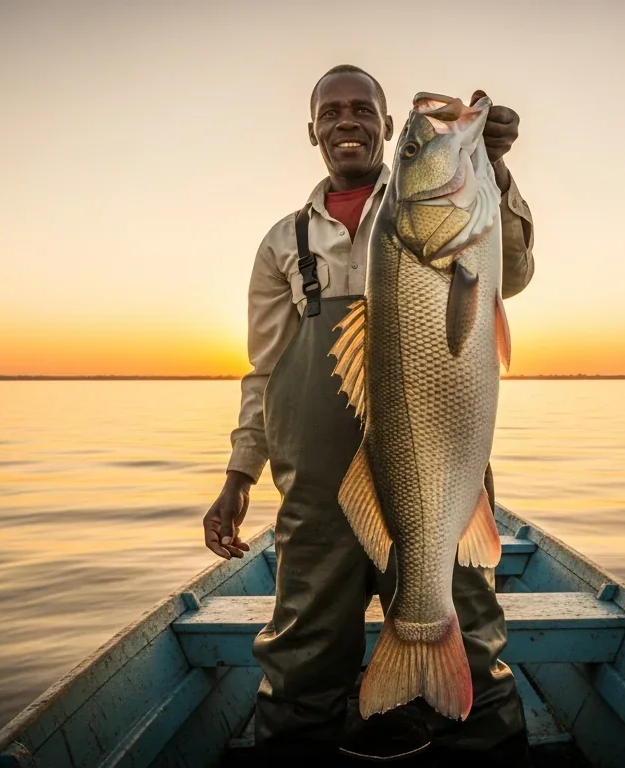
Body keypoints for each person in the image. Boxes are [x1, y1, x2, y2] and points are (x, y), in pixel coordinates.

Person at [203, 64, 536, 763]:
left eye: (362, 110)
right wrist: (240, 473)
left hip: (439, 464)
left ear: (387, 128)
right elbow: (264, 368)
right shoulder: (282, 243)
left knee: (470, 634)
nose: (346, 121)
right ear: (313, 131)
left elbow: (514, 266)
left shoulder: (456, 202)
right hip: (318, 489)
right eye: (332, 112)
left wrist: (496, 170)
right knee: (303, 652)